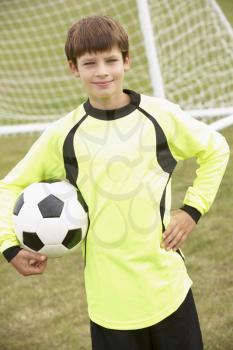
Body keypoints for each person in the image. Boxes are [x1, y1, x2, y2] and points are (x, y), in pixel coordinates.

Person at [0, 15, 230, 350]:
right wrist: (9, 246)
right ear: (73, 69)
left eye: (110, 60)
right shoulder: (64, 135)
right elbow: (9, 186)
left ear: (126, 60)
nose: (102, 71)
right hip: (109, 304)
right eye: (90, 63)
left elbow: (215, 149)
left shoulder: (159, 116)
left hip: (168, 290)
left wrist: (193, 209)